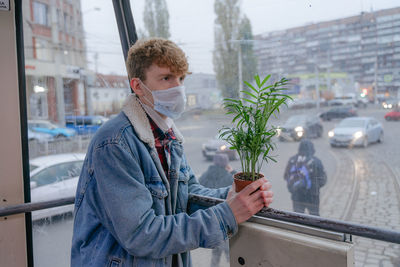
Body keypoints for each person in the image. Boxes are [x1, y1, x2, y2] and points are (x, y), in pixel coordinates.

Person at [71, 38, 273, 267]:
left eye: (181, 79)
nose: (178, 88)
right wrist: (227, 215)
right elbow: (141, 235)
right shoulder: (114, 143)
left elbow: (187, 197)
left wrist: (235, 195)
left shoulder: (168, 136)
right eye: (166, 78)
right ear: (138, 86)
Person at [198, 153, 235, 266]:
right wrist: (232, 171)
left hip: (210, 218)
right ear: (226, 164)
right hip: (225, 219)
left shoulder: (205, 175)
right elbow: (236, 187)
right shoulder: (229, 177)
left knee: (216, 252)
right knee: (230, 251)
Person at [284, 139, 326, 216]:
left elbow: (286, 176)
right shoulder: (316, 161)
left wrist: (292, 189)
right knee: (314, 217)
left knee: (297, 217)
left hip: (297, 195)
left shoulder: (292, 160)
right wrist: (315, 186)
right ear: (312, 149)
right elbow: (323, 180)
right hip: (313, 196)